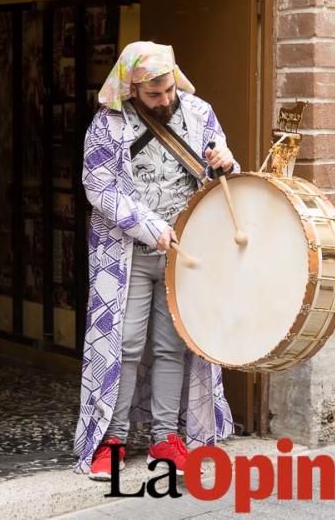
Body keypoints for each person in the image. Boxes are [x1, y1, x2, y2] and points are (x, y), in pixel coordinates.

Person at [73, 41, 237, 480]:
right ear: (132, 88)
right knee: (122, 345)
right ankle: (112, 438)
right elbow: (99, 188)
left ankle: (167, 436)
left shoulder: (200, 113)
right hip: (124, 254)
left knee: (173, 346)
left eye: (168, 91)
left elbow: (219, 167)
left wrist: (227, 160)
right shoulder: (106, 125)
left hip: (185, 255)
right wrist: (149, 228)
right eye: (153, 95)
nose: (164, 100)